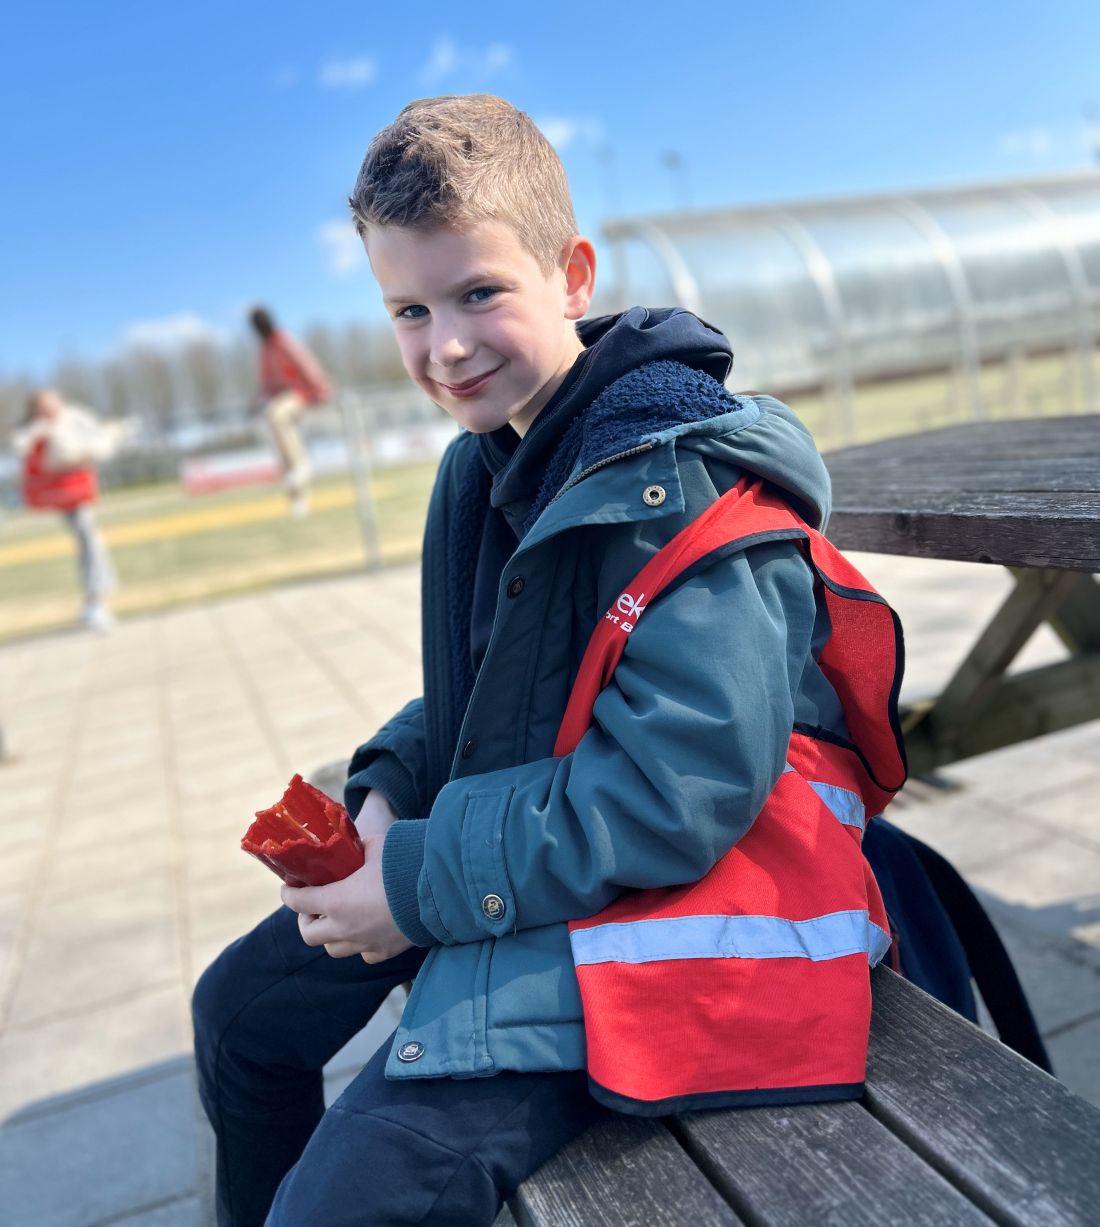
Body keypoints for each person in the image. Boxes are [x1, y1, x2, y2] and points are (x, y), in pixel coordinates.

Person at [193, 96, 905, 1227]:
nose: (446, 345)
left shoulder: (689, 484)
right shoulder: (482, 463)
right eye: (410, 309)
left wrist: (413, 888)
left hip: (656, 913)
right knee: (236, 1015)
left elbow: (678, 794)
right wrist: (388, 792)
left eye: (479, 293)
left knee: (343, 1199)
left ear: (571, 276)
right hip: (522, 857)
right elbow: (496, 691)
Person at [13, 389, 129, 631]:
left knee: (89, 536)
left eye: (52, 403)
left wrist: (108, 434)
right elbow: (24, 449)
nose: (50, 409)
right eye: (43, 406)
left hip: (78, 487)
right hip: (57, 490)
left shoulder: (75, 417)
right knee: (88, 537)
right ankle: (95, 598)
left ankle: (96, 598)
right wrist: (41, 436)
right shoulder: (35, 430)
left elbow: (98, 438)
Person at [248, 306, 331, 517]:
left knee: (277, 415)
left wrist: (321, 388)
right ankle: (298, 498)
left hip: (301, 394)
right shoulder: (265, 350)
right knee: (280, 445)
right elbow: (267, 382)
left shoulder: (284, 342)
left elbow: (307, 364)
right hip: (280, 399)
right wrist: (256, 401)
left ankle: (302, 466)